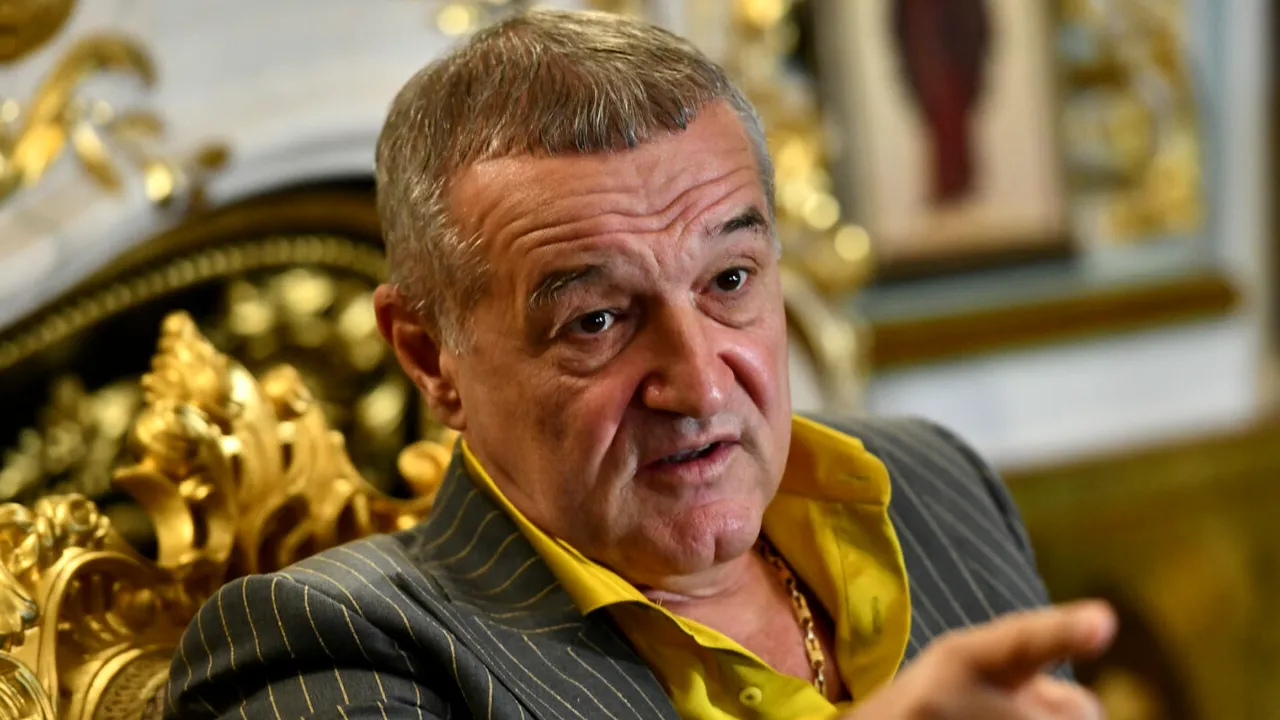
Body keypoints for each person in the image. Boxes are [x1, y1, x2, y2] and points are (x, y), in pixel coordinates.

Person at [165, 9, 1115, 719]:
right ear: (428, 356)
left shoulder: (932, 482)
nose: (699, 384)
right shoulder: (325, 646)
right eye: (597, 321)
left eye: (729, 279)